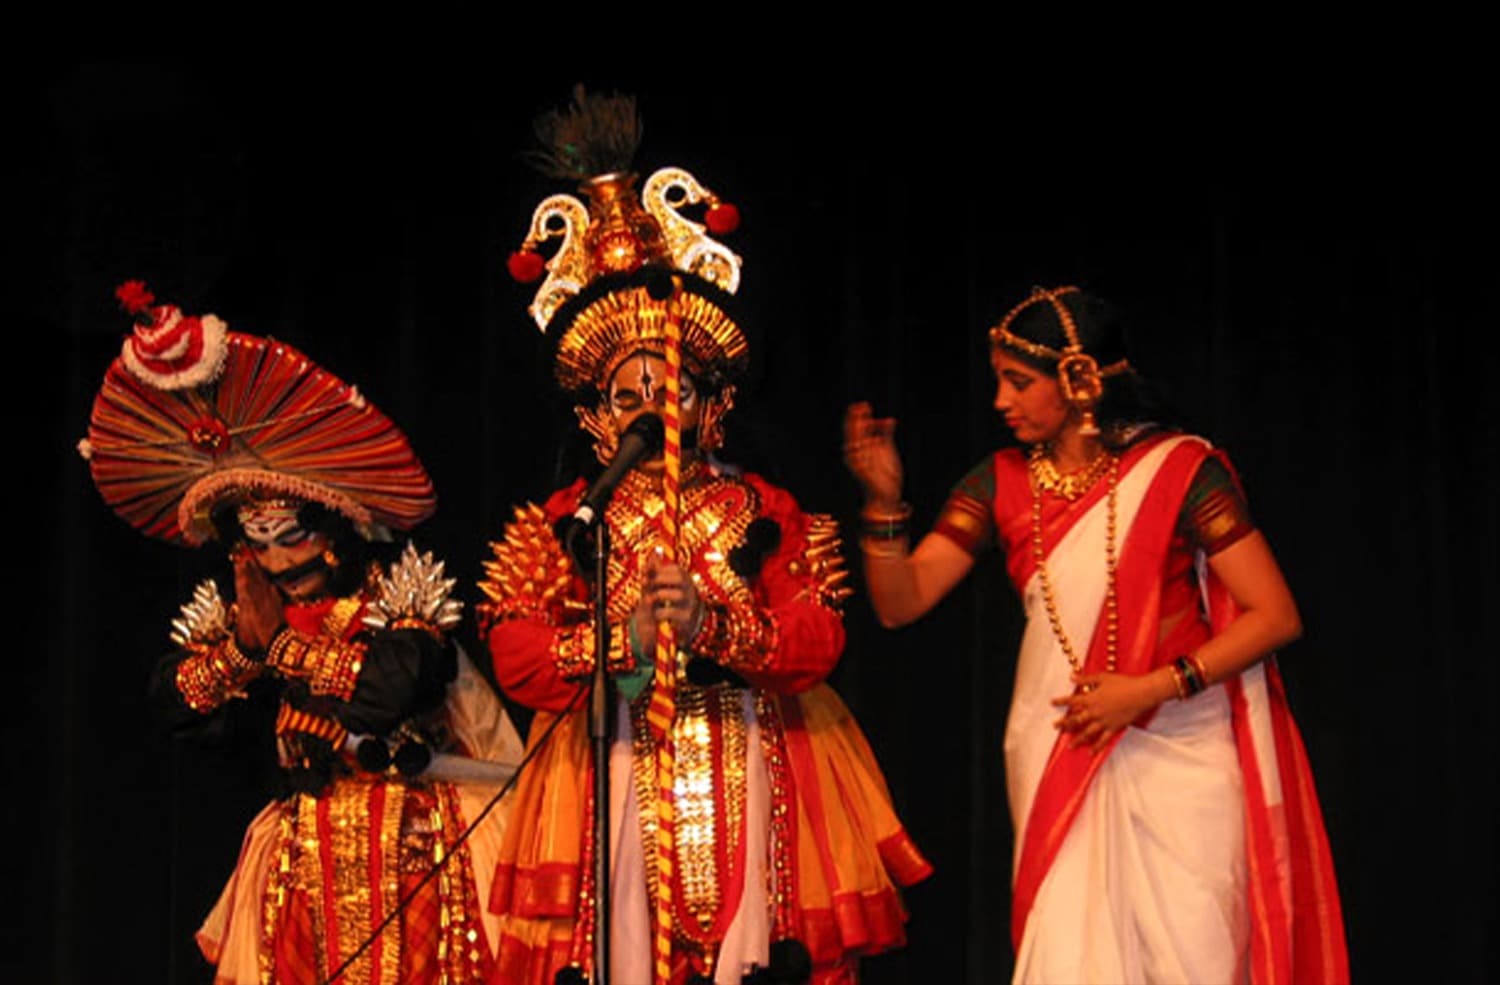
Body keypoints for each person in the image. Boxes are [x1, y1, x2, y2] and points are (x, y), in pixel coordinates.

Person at [480, 90, 930, 985]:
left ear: (713, 405)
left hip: (752, 754)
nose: (651, 405)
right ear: (598, 418)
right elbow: (516, 649)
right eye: (625, 393)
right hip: (606, 770)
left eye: (671, 389)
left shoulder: (763, 509)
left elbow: (818, 635)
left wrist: (715, 628)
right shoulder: (570, 517)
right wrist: (623, 639)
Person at [844, 285, 1347, 984]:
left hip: (1184, 756)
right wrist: (884, 503)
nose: (1000, 401)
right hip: (1061, 747)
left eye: (1019, 382)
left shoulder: (1180, 471)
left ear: (1080, 382)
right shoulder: (1001, 482)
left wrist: (1147, 689)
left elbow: (1275, 614)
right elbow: (902, 602)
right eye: (999, 382)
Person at [80, 281, 522, 984]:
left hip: (416, 849)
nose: (282, 559)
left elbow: (389, 690)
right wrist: (244, 651)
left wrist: (277, 649)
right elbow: (176, 705)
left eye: (293, 535)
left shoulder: (395, 603)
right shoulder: (246, 621)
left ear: (336, 535)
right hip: (302, 860)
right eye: (261, 541)